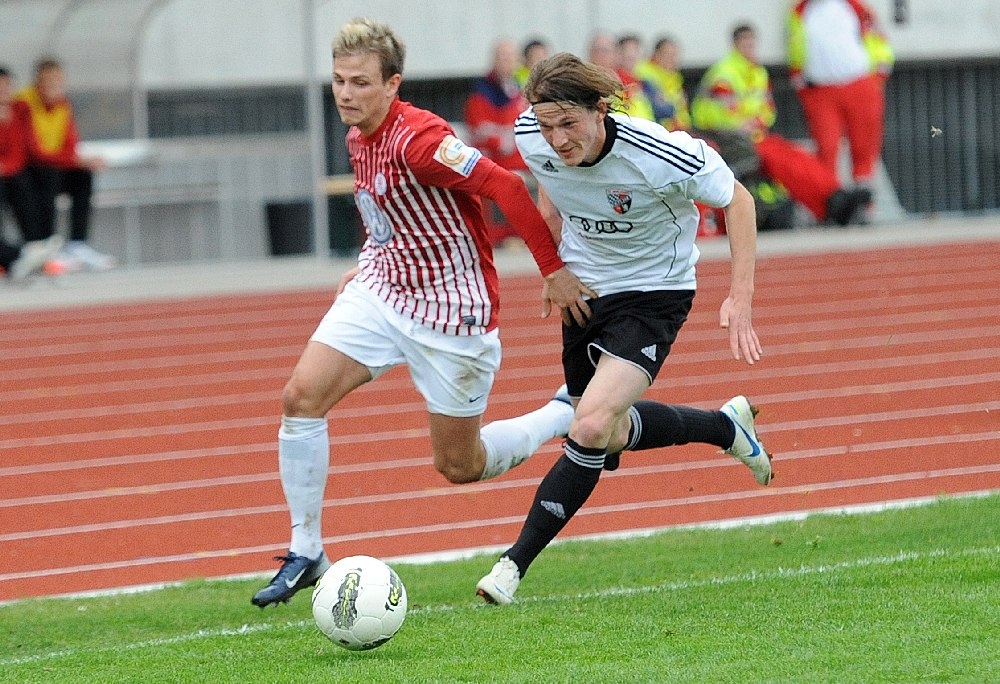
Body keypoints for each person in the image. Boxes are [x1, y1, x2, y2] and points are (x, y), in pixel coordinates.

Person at [251, 18, 594, 608]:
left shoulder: (422, 140)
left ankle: (559, 414)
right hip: (384, 291)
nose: (345, 93)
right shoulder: (359, 134)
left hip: (451, 311)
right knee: (300, 398)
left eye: (360, 82)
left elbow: (508, 189)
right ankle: (306, 551)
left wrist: (553, 270)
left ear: (393, 84)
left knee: (460, 465)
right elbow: (385, 211)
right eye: (338, 80)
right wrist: (369, 260)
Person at [476, 52, 772, 605]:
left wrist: (741, 296)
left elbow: (739, 199)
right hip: (586, 291)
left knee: (588, 425)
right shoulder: (531, 135)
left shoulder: (658, 153)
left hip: (654, 293)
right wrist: (553, 268)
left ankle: (512, 565)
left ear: (600, 110)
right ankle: (725, 427)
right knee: (606, 434)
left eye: (569, 123)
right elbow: (549, 186)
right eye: (547, 125)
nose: (557, 139)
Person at [691, 23, 871, 227]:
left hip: (756, 135)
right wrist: (743, 124)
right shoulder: (724, 73)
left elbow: (767, 108)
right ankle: (830, 203)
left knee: (799, 157)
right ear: (735, 44)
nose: (750, 48)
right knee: (786, 164)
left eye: (752, 44)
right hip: (733, 140)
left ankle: (836, 195)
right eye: (745, 44)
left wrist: (758, 121)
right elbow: (709, 113)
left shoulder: (758, 72)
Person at [14, 58, 116, 271]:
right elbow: (34, 152)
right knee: (48, 176)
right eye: (48, 80)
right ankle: (47, 244)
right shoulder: (24, 103)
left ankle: (77, 244)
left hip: (53, 166)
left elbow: (70, 144)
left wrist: (81, 162)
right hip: (28, 171)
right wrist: (75, 160)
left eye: (58, 80)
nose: (54, 85)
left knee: (82, 176)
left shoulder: (63, 105)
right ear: (37, 82)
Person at [786, 0, 894, 195]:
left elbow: (878, 38)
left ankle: (863, 198)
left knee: (864, 145)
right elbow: (795, 47)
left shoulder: (854, 6)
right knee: (826, 146)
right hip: (821, 91)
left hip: (858, 84)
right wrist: (801, 83)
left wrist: (878, 77)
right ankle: (830, 199)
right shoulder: (800, 11)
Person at [464, 39, 530, 247]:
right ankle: (506, 235)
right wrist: (506, 136)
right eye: (502, 57)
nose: (507, 61)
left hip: (522, 158)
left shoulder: (520, 88)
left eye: (511, 57)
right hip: (498, 160)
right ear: (493, 60)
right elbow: (480, 130)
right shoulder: (483, 93)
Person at [587, 33, 654, 122]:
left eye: (606, 51)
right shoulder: (585, 81)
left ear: (616, 54)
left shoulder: (627, 81)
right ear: (590, 53)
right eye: (598, 50)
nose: (602, 55)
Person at [634, 35, 693, 132]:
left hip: (678, 130)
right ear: (656, 55)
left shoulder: (674, 77)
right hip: (659, 130)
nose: (672, 59)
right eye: (668, 55)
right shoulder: (646, 74)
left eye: (675, 55)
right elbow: (660, 106)